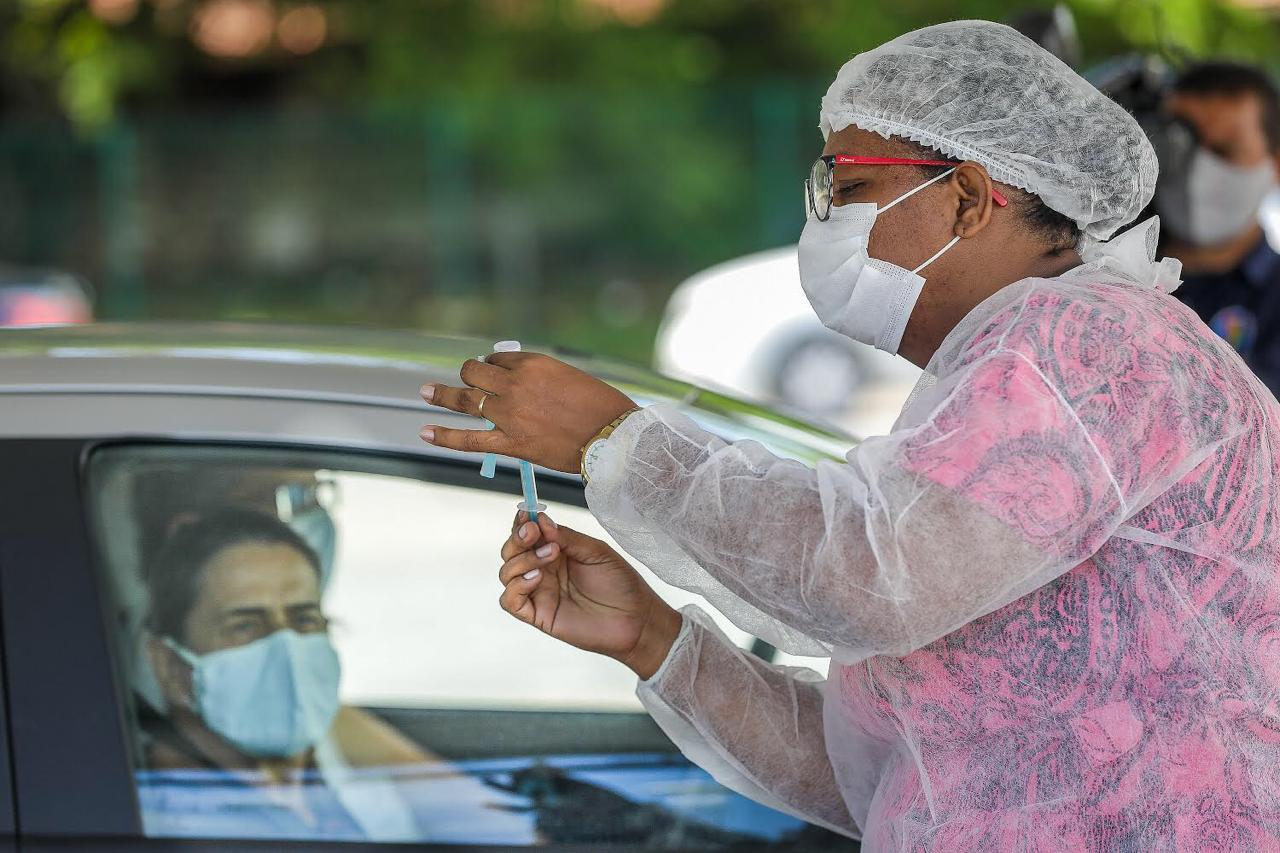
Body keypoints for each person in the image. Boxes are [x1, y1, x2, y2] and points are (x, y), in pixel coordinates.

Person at [419, 20, 1280, 850]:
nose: (824, 218)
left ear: (968, 198)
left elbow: (871, 576)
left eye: (847, 187)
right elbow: (898, 779)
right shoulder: (1006, 369)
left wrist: (614, 439)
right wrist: (654, 638)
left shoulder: (1088, 344)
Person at [141, 509, 436, 841]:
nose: (288, 650)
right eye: (245, 626)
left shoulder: (332, 735)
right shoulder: (173, 812)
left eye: (304, 619)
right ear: (170, 665)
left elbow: (470, 811)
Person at [1156, 61, 1280, 392]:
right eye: (1183, 146)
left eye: (1226, 152)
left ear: (1276, 165)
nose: (1199, 171)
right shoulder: (1097, 259)